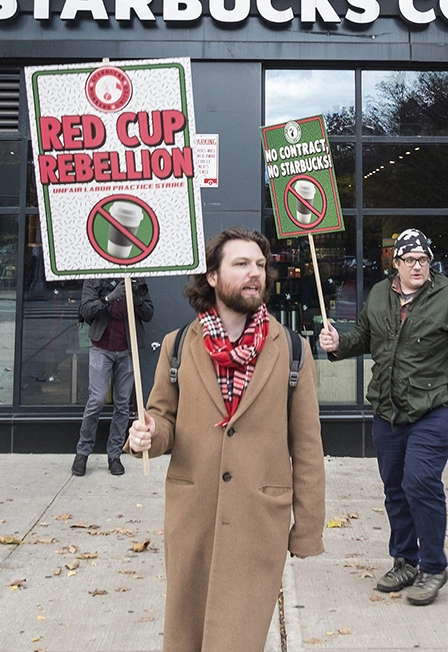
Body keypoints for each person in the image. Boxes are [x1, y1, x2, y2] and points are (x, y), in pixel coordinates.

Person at [126, 227, 324, 651]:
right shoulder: (178, 345)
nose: (255, 273)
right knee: (185, 636)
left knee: (237, 639)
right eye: (241, 264)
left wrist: (307, 529)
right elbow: (163, 418)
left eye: (259, 265)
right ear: (212, 276)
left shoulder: (291, 348)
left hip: (258, 522)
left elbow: (307, 446)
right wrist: (148, 434)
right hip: (192, 518)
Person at [318, 228, 448, 606]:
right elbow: (364, 336)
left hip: (434, 410)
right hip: (388, 410)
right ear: (395, 263)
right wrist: (338, 344)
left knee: (420, 481)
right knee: (395, 489)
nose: (418, 266)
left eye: (423, 260)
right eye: (410, 260)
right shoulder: (379, 295)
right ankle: (405, 560)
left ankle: (433, 566)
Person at [73, 276, 153, 477]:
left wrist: (135, 298)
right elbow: (86, 310)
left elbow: (149, 313)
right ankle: (82, 452)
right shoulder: (94, 278)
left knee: (123, 403)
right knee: (96, 400)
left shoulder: (136, 279)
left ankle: (114, 455)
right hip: (101, 347)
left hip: (127, 348)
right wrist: (109, 298)